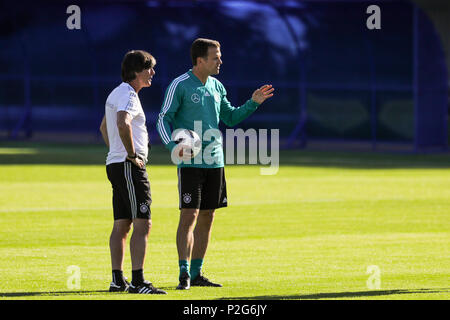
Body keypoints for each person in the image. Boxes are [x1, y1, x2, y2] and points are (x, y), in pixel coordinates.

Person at [156, 38, 274, 290]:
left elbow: (230, 117)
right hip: (190, 163)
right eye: (215, 57)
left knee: (208, 216)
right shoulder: (180, 85)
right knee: (189, 215)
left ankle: (197, 273)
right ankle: (183, 273)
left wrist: (253, 103)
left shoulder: (217, 86)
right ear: (200, 60)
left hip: (215, 161)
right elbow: (163, 119)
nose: (220, 61)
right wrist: (172, 147)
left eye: (219, 56)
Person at [99, 50, 166, 294]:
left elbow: (103, 127)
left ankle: (118, 280)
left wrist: (116, 152)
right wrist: (130, 154)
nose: (152, 73)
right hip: (129, 166)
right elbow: (121, 122)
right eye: (149, 68)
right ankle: (138, 281)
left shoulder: (117, 92)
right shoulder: (128, 93)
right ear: (136, 71)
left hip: (117, 165)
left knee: (122, 224)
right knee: (143, 222)